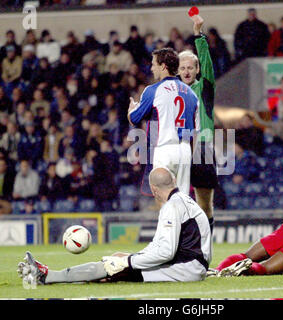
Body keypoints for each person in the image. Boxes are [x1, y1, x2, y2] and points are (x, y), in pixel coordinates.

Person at [17, 167, 212, 284]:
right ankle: (50, 275)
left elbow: (166, 252)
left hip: (183, 270)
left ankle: (47, 276)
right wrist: (131, 256)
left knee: (111, 267)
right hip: (191, 267)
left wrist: (127, 262)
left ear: (153, 189)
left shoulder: (171, 207)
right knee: (115, 267)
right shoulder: (186, 201)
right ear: (174, 181)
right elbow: (162, 247)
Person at [128, 47, 199, 197]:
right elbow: (195, 133)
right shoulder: (191, 94)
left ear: (163, 66)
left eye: (154, 64)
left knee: (164, 197)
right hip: (185, 150)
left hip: (164, 148)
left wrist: (131, 110)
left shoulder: (153, 90)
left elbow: (135, 119)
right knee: (183, 198)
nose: (152, 68)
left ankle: (166, 222)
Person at [178, 14, 216, 228]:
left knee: (205, 204)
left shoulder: (205, 88)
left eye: (190, 67)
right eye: (182, 68)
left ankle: (206, 246)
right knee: (176, 203)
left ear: (198, 69)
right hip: (180, 149)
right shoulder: (172, 92)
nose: (186, 71)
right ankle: (178, 247)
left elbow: (206, 60)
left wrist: (198, 34)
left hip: (202, 148)